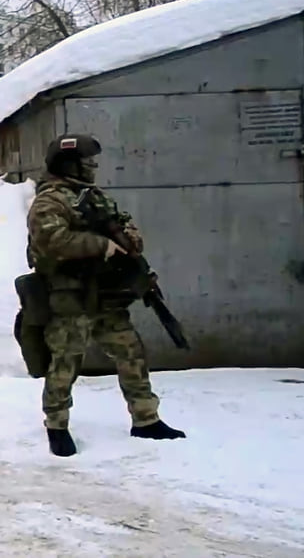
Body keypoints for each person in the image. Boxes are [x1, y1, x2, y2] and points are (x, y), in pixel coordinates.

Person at [26, 133, 186, 457]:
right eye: (88, 163)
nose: (93, 168)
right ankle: (57, 426)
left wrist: (129, 238)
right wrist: (101, 245)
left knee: (131, 352)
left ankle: (146, 419)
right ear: (69, 164)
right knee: (66, 361)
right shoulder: (49, 201)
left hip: (105, 296)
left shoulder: (93, 197)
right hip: (69, 296)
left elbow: (123, 224)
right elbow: (52, 239)